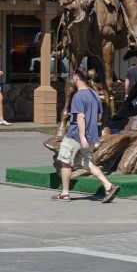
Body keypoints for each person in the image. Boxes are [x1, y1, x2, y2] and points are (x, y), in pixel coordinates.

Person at [57, 69, 119, 202]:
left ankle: (65, 193)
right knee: (88, 164)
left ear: (76, 78)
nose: (72, 80)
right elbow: (99, 115)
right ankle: (108, 186)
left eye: (72, 77)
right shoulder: (95, 94)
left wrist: (82, 136)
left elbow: (80, 117)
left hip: (75, 135)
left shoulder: (78, 96)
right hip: (91, 135)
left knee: (65, 162)